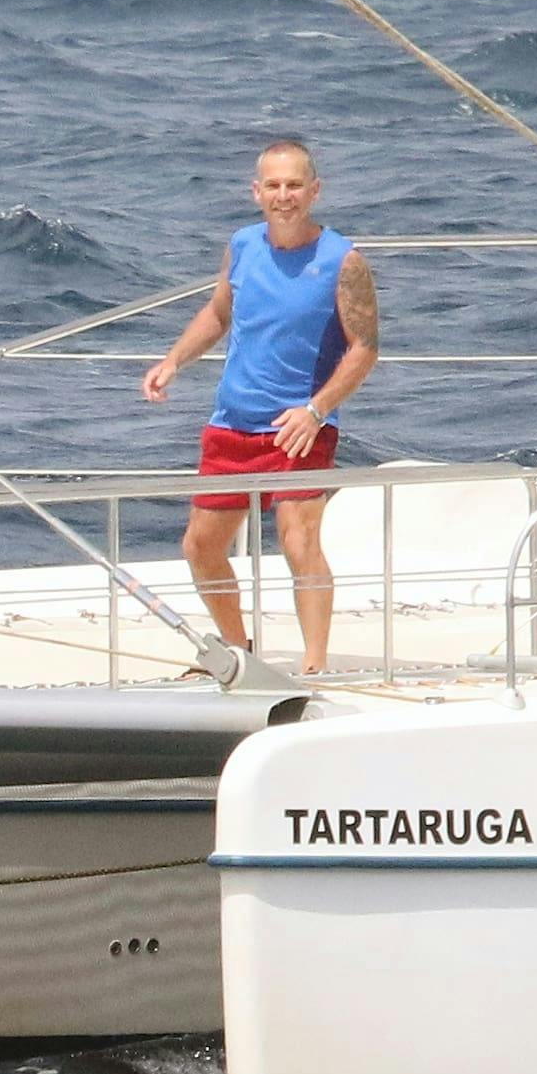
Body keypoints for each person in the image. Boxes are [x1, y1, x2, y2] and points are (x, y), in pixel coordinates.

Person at [141, 137, 379, 674]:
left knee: (299, 541)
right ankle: (237, 651)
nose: (284, 195)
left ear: (314, 191)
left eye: (294, 185)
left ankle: (314, 664)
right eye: (273, 185)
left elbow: (365, 348)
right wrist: (175, 360)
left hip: (300, 425)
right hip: (233, 420)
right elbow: (220, 312)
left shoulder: (344, 260)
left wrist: (316, 410)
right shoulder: (244, 245)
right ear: (256, 192)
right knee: (200, 547)